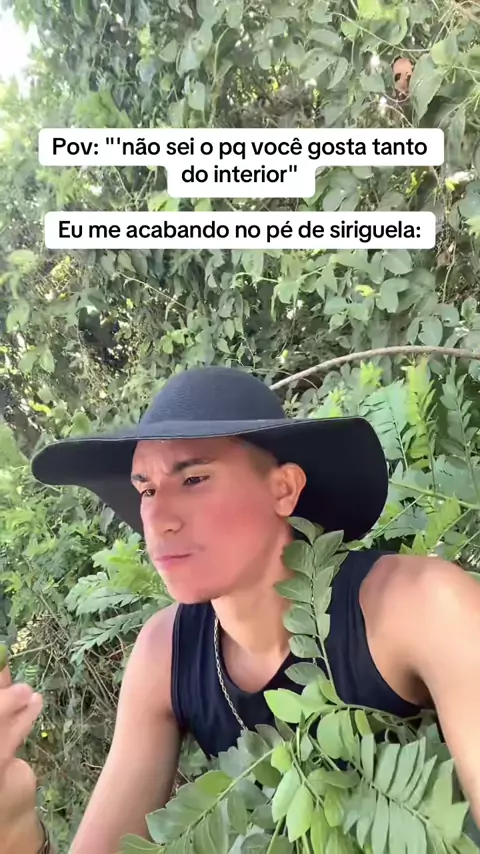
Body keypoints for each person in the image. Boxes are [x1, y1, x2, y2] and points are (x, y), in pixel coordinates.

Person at [1, 365, 480, 854]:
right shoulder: (166, 654)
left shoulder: (419, 606)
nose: (158, 520)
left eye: (194, 479)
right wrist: (13, 829)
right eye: (146, 490)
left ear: (283, 489)